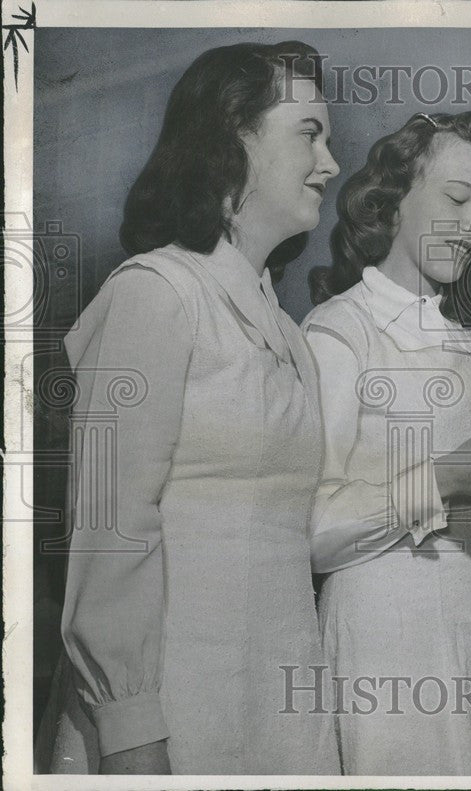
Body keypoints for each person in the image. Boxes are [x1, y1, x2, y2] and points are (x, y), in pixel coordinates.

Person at [45, 41, 341, 774]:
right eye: (310, 133)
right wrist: (132, 732)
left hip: (278, 712)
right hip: (170, 721)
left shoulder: (289, 335)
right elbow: (111, 533)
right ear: (235, 130)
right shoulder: (153, 293)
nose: (331, 164)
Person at [303, 111, 471, 776]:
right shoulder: (337, 332)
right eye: (457, 198)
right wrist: (444, 477)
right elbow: (315, 530)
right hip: (389, 644)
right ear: (394, 197)